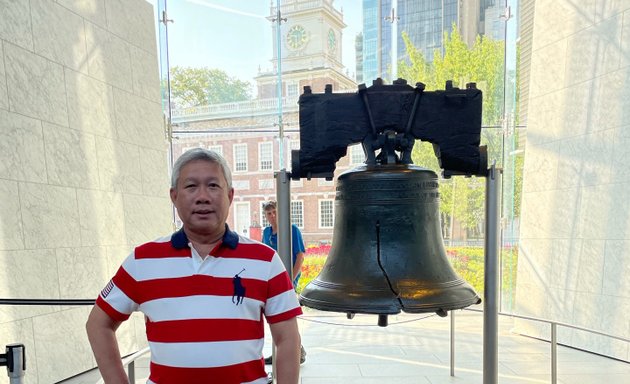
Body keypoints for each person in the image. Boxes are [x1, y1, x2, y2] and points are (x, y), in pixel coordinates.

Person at [86, 148, 302, 384]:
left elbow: (288, 339)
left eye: (213, 186)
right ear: (174, 196)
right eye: (191, 186)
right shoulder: (142, 261)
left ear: (229, 195)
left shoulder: (265, 260)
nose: (203, 196)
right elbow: (98, 324)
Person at [261, 201, 306, 365]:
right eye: (268, 214)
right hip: (272, 281)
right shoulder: (266, 232)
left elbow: (300, 256)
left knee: (287, 318)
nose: (272, 216)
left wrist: (290, 279)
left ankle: (297, 351)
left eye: (274, 212)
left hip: (288, 281)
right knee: (275, 318)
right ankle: (281, 351)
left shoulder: (291, 230)